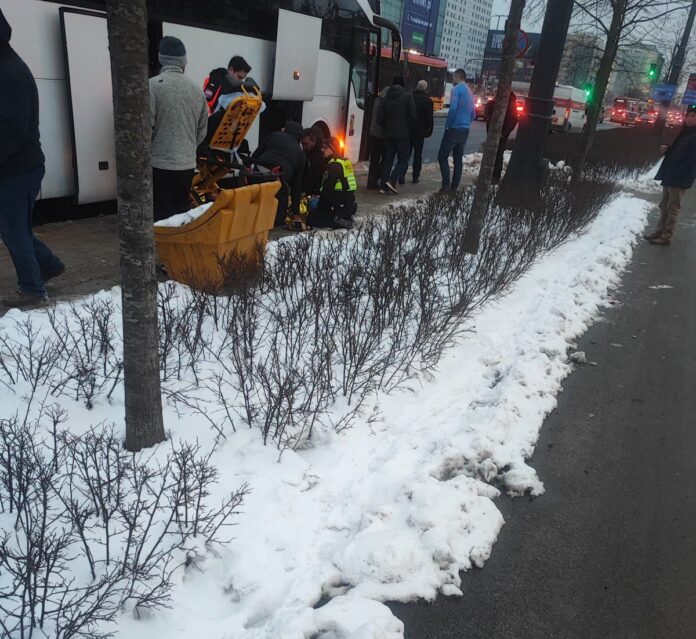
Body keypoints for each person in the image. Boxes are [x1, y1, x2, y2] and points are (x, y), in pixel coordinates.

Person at [0, 9, 65, 308]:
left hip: (18, 168)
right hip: (15, 166)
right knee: (15, 228)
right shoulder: (5, 67)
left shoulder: (10, 73)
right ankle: (48, 265)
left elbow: (11, 130)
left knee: (14, 231)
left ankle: (32, 290)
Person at [150, 36, 208, 221]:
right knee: (180, 214)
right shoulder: (197, 90)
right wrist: (187, 147)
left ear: (161, 59)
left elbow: (147, 129)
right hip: (186, 165)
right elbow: (202, 130)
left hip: (159, 165)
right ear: (184, 62)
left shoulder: (151, 86)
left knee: (161, 216)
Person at [644, 105, 696, 246]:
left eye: (693, 116)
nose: (689, 119)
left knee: (672, 207)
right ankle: (659, 231)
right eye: (688, 116)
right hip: (671, 174)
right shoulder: (685, 133)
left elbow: (691, 160)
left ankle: (666, 235)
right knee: (664, 205)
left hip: (679, 177)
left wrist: (678, 172)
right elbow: (677, 154)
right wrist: (667, 151)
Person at [251, 121, 306, 225]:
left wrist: (247, 167)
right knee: (278, 209)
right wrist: (295, 213)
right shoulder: (300, 153)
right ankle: (274, 222)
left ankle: (251, 216)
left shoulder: (275, 135)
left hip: (261, 168)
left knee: (255, 194)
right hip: (281, 176)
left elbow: (256, 154)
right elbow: (296, 187)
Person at [306, 137, 357, 230]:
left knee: (310, 218)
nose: (322, 150)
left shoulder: (332, 166)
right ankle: (343, 218)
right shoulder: (345, 163)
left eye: (325, 147)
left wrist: (319, 206)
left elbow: (327, 192)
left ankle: (337, 221)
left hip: (336, 206)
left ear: (333, 149)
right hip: (347, 205)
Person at [437, 68, 475, 191]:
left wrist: (448, 125)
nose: (452, 79)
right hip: (465, 130)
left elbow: (453, 108)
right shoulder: (470, 91)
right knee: (458, 160)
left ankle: (445, 186)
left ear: (458, 77)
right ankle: (454, 188)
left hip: (454, 129)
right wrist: (466, 122)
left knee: (442, 157)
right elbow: (473, 113)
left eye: (453, 77)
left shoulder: (456, 89)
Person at [378, 76, 416, 194]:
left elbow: (379, 119)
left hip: (388, 134)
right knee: (403, 159)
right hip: (402, 135)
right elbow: (413, 115)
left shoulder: (385, 99)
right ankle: (392, 179)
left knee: (388, 160)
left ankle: (384, 184)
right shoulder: (407, 97)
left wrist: (386, 126)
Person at [484, 91, 518, 184]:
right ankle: (492, 176)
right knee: (494, 154)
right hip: (495, 132)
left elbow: (514, 119)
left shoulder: (510, 103)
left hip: (501, 134)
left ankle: (495, 177)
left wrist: (504, 132)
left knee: (498, 155)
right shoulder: (496, 102)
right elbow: (487, 111)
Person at [408, 79, 434, 184]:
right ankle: (415, 176)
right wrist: (429, 130)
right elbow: (429, 118)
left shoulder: (410, 97)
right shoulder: (428, 100)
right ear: (425, 88)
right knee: (418, 155)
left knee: (406, 154)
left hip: (409, 130)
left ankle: (401, 176)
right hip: (420, 132)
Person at [367, 87, 388, 189]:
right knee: (385, 158)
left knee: (374, 159)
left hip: (372, 132)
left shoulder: (377, 100)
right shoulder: (385, 103)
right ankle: (374, 178)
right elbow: (382, 120)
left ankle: (370, 180)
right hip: (380, 134)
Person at [301, 127, 327, 195]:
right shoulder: (308, 152)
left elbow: (313, 178)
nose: (304, 147)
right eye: (302, 144)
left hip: (315, 193)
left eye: (306, 144)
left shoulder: (321, 155)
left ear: (314, 140)